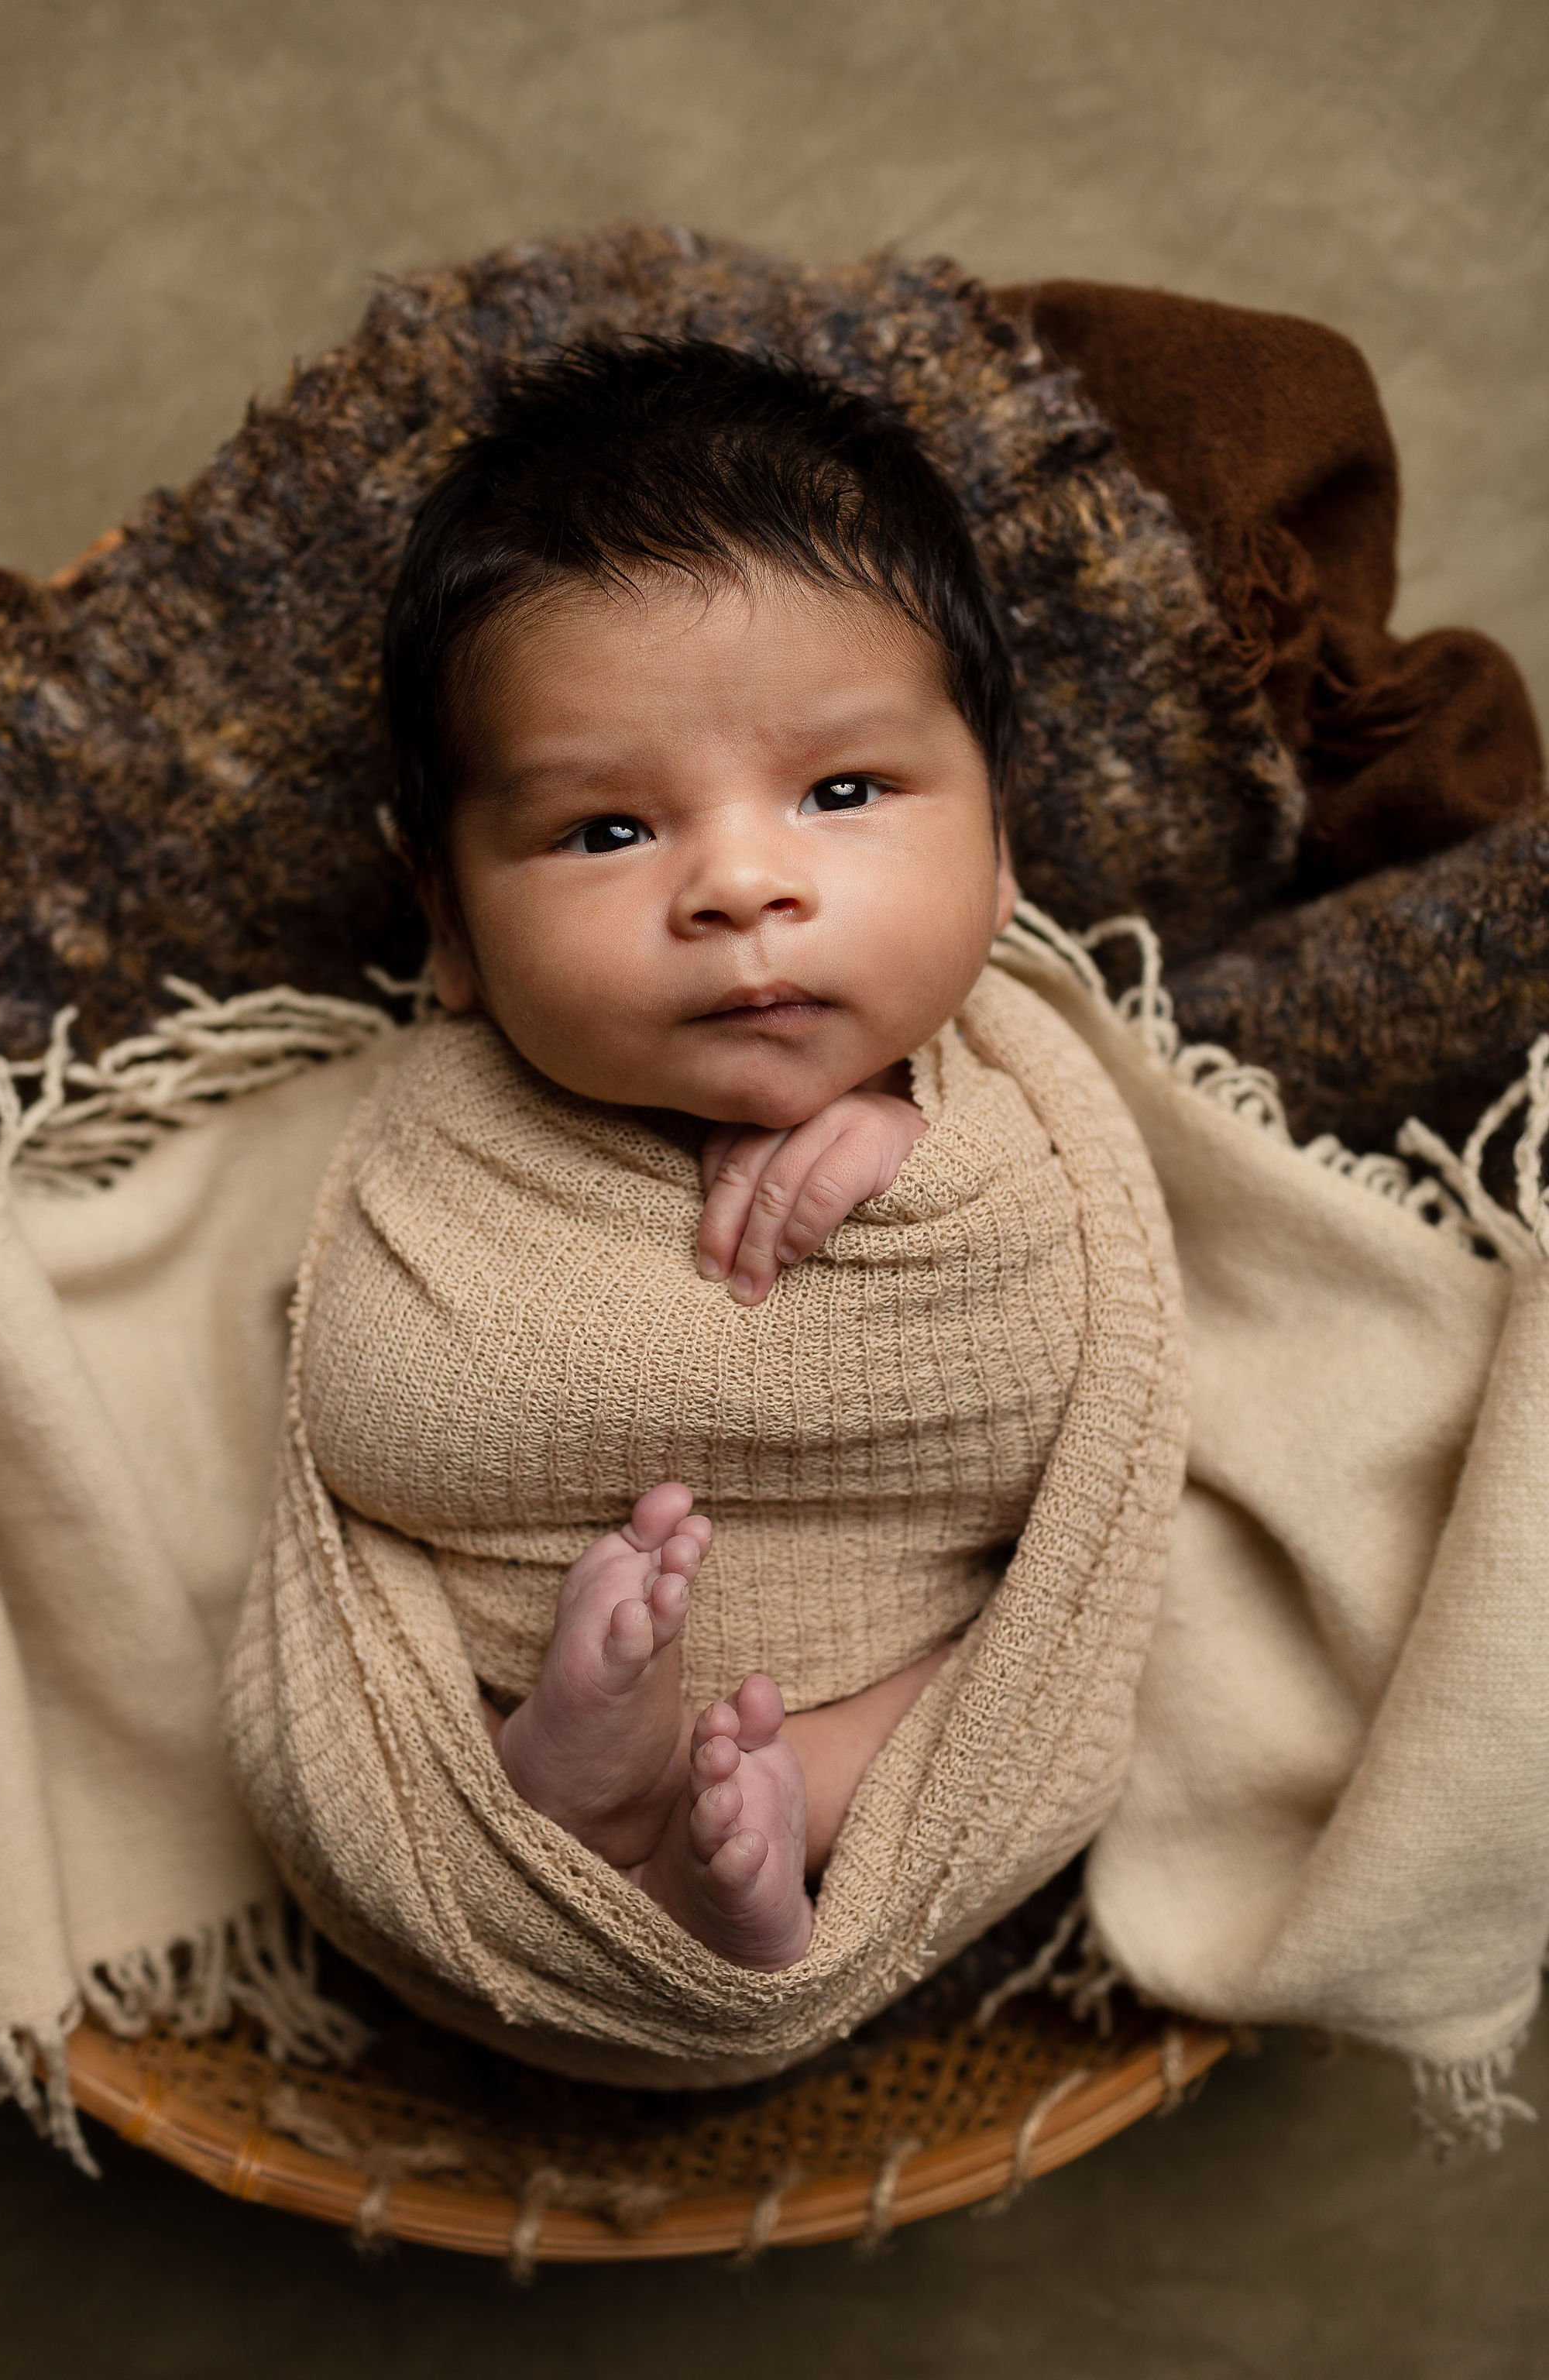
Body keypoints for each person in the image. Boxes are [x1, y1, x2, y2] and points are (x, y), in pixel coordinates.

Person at [256, 335, 1121, 2002]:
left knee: (1034, 1685)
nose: (738, 885)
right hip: (499, 1657)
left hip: (901, 1653)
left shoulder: (1017, 1099)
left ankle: (789, 1817)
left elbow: (1070, 1382)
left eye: (842, 791)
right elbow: (375, 1407)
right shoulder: (452, 1129)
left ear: (1000, 845)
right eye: (605, 830)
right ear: (445, 919)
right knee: (359, 1710)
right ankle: (550, 1798)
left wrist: (929, 1169)